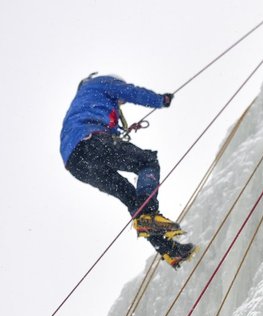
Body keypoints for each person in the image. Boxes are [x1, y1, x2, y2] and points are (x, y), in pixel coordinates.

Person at [60, 73, 195, 267]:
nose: (121, 103)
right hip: (90, 143)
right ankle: (149, 214)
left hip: (76, 163)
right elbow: (129, 92)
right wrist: (160, 100)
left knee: (131, 198)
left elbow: (94, 125)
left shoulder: (82, 106)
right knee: (147, 161)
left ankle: (170, 250)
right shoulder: (98, 83)